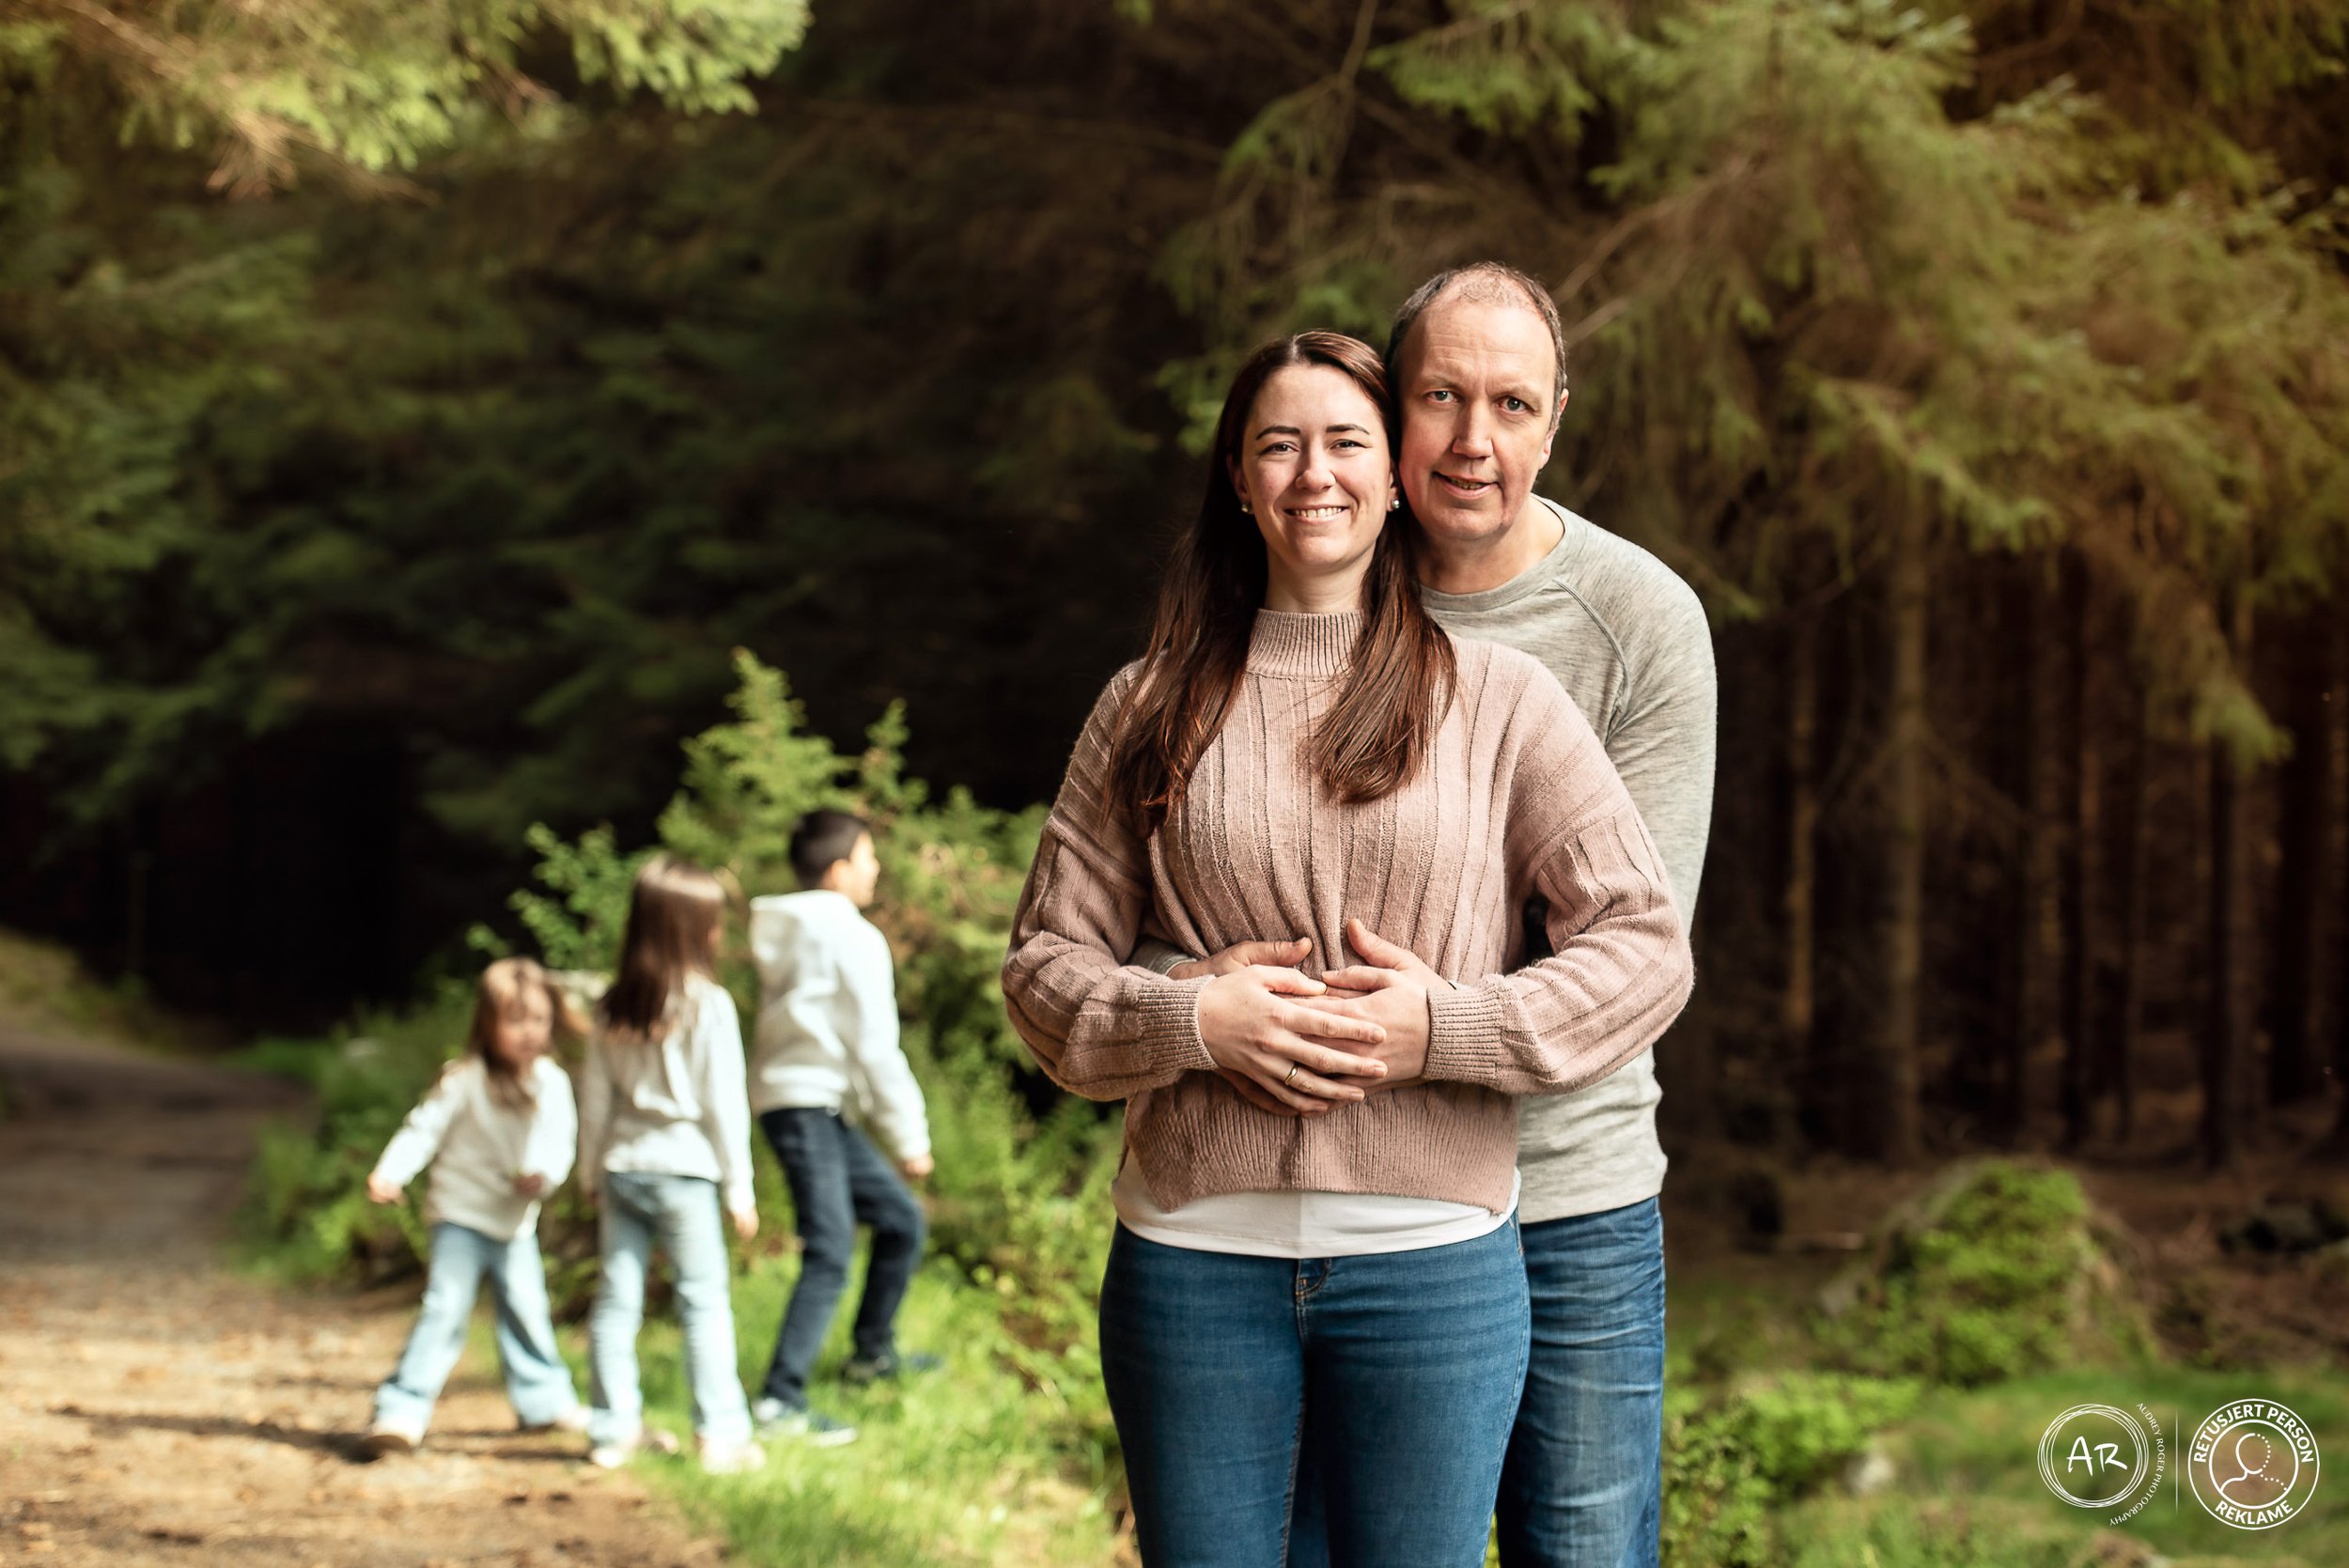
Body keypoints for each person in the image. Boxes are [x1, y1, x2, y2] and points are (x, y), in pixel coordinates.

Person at [1001, 329, 1693, 1568]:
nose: (1313, 473)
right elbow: (1043, 972)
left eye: (1345, 443)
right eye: (1279, 444)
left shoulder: (1498, 699)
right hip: (1192, 1264)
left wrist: (1444, 1029)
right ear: (1238, 477)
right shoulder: (1146, 702)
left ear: (1391, 477)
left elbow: (1643, 946)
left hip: (1432, 1271)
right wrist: (1190, 1019)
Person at [745, 809, 936, 1446]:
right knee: (830, 1247)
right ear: (837, 869)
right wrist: (910, 1137)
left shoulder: (789, 930)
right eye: (867, 856)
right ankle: (780, 1400)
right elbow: (875, 1045)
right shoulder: (851, 936)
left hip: (808, 1106)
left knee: (901, 1220)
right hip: (808, 1105)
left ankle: (870, 1355)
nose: (875, 868)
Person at [576, 854, 765, 1475]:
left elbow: (595, 1102)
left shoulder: (612, 1007)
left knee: (615, 1301)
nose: (718, 932)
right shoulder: (709, 1006)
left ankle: (611, 1430)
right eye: (712, 922)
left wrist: (588, 1173)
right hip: (686, 1169)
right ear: (692, 930)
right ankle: (719, 1435)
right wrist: (739, 1188)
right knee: (703, 1302)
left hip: (623, 1167)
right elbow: (724, 1105)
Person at [362, 957, 586, 1456]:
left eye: (539, 1019)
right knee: (445, 1308)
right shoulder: (463, 1078)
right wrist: (391, 1172)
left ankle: (545, 1402)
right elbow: (423, 1129)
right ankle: (401, 1410)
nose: (529, 1032)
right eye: (515, 1020)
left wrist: (543, 1177)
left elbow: (560, 1145)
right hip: (459, 1215)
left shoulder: (551, 1082)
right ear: (487, 1024)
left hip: (514, 1223)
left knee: (527, 1310)